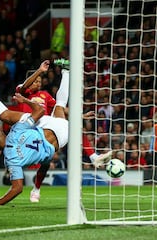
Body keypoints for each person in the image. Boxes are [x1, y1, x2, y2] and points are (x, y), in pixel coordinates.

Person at [17, 59, 112, 202]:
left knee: (63, 109)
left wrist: (80, 115)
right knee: (46, 162)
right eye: (35, 81)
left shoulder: (45, 95)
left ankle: (94, 157)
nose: (38, 83)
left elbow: (61, 108)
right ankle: (36, 189)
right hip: (31, 126)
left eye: (39, 81)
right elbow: (24, 86)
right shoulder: (23, 91)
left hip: (46, 125)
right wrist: (40, 70)